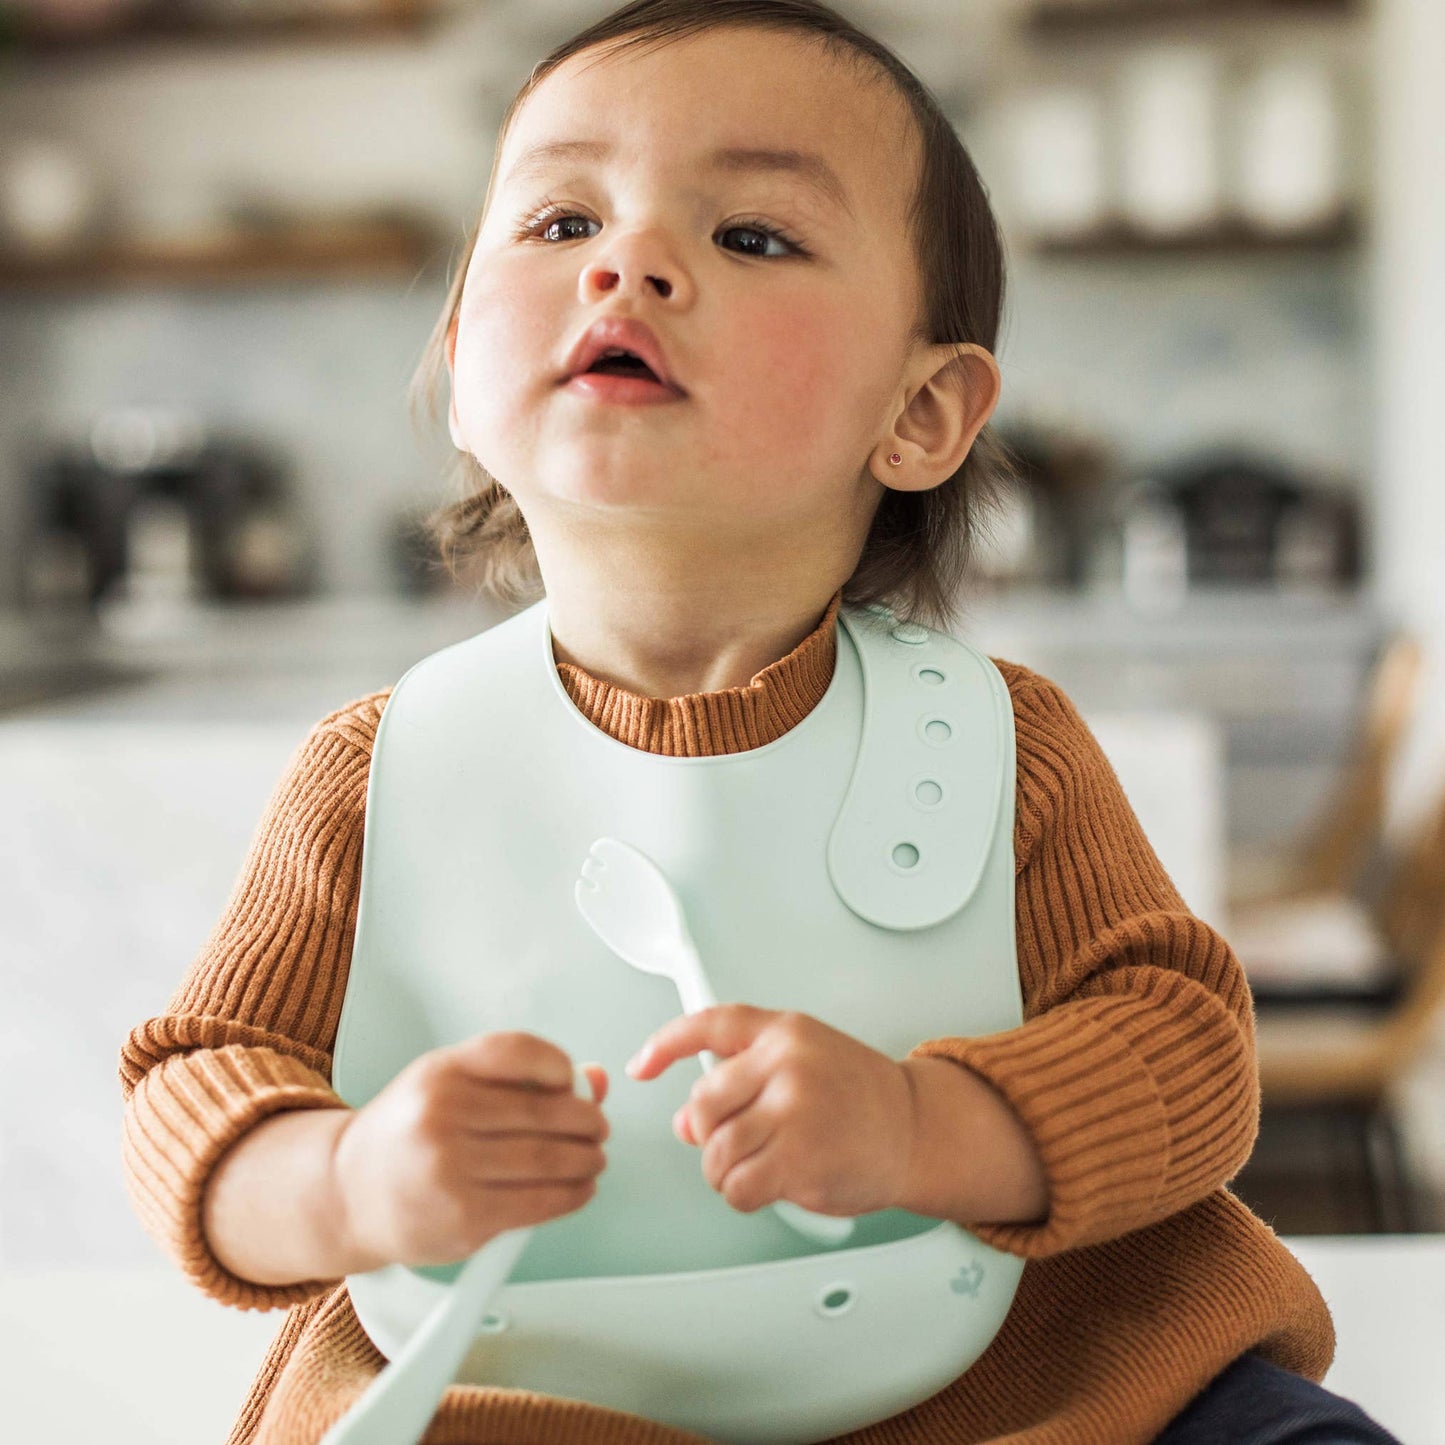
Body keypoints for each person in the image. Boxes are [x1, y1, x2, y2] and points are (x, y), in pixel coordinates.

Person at [117, 2, 1404, 1442]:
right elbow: (195, 1086)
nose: (627, 261)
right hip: (533, 1380)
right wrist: (348, 1177)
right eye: (556, 221)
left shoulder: (1002, 742)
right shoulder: (379, 772)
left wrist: (930, 1129)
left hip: (1027, 1378)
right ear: (458, 358)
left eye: (750, 236)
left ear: (921, 411)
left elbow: (1183, 1049)